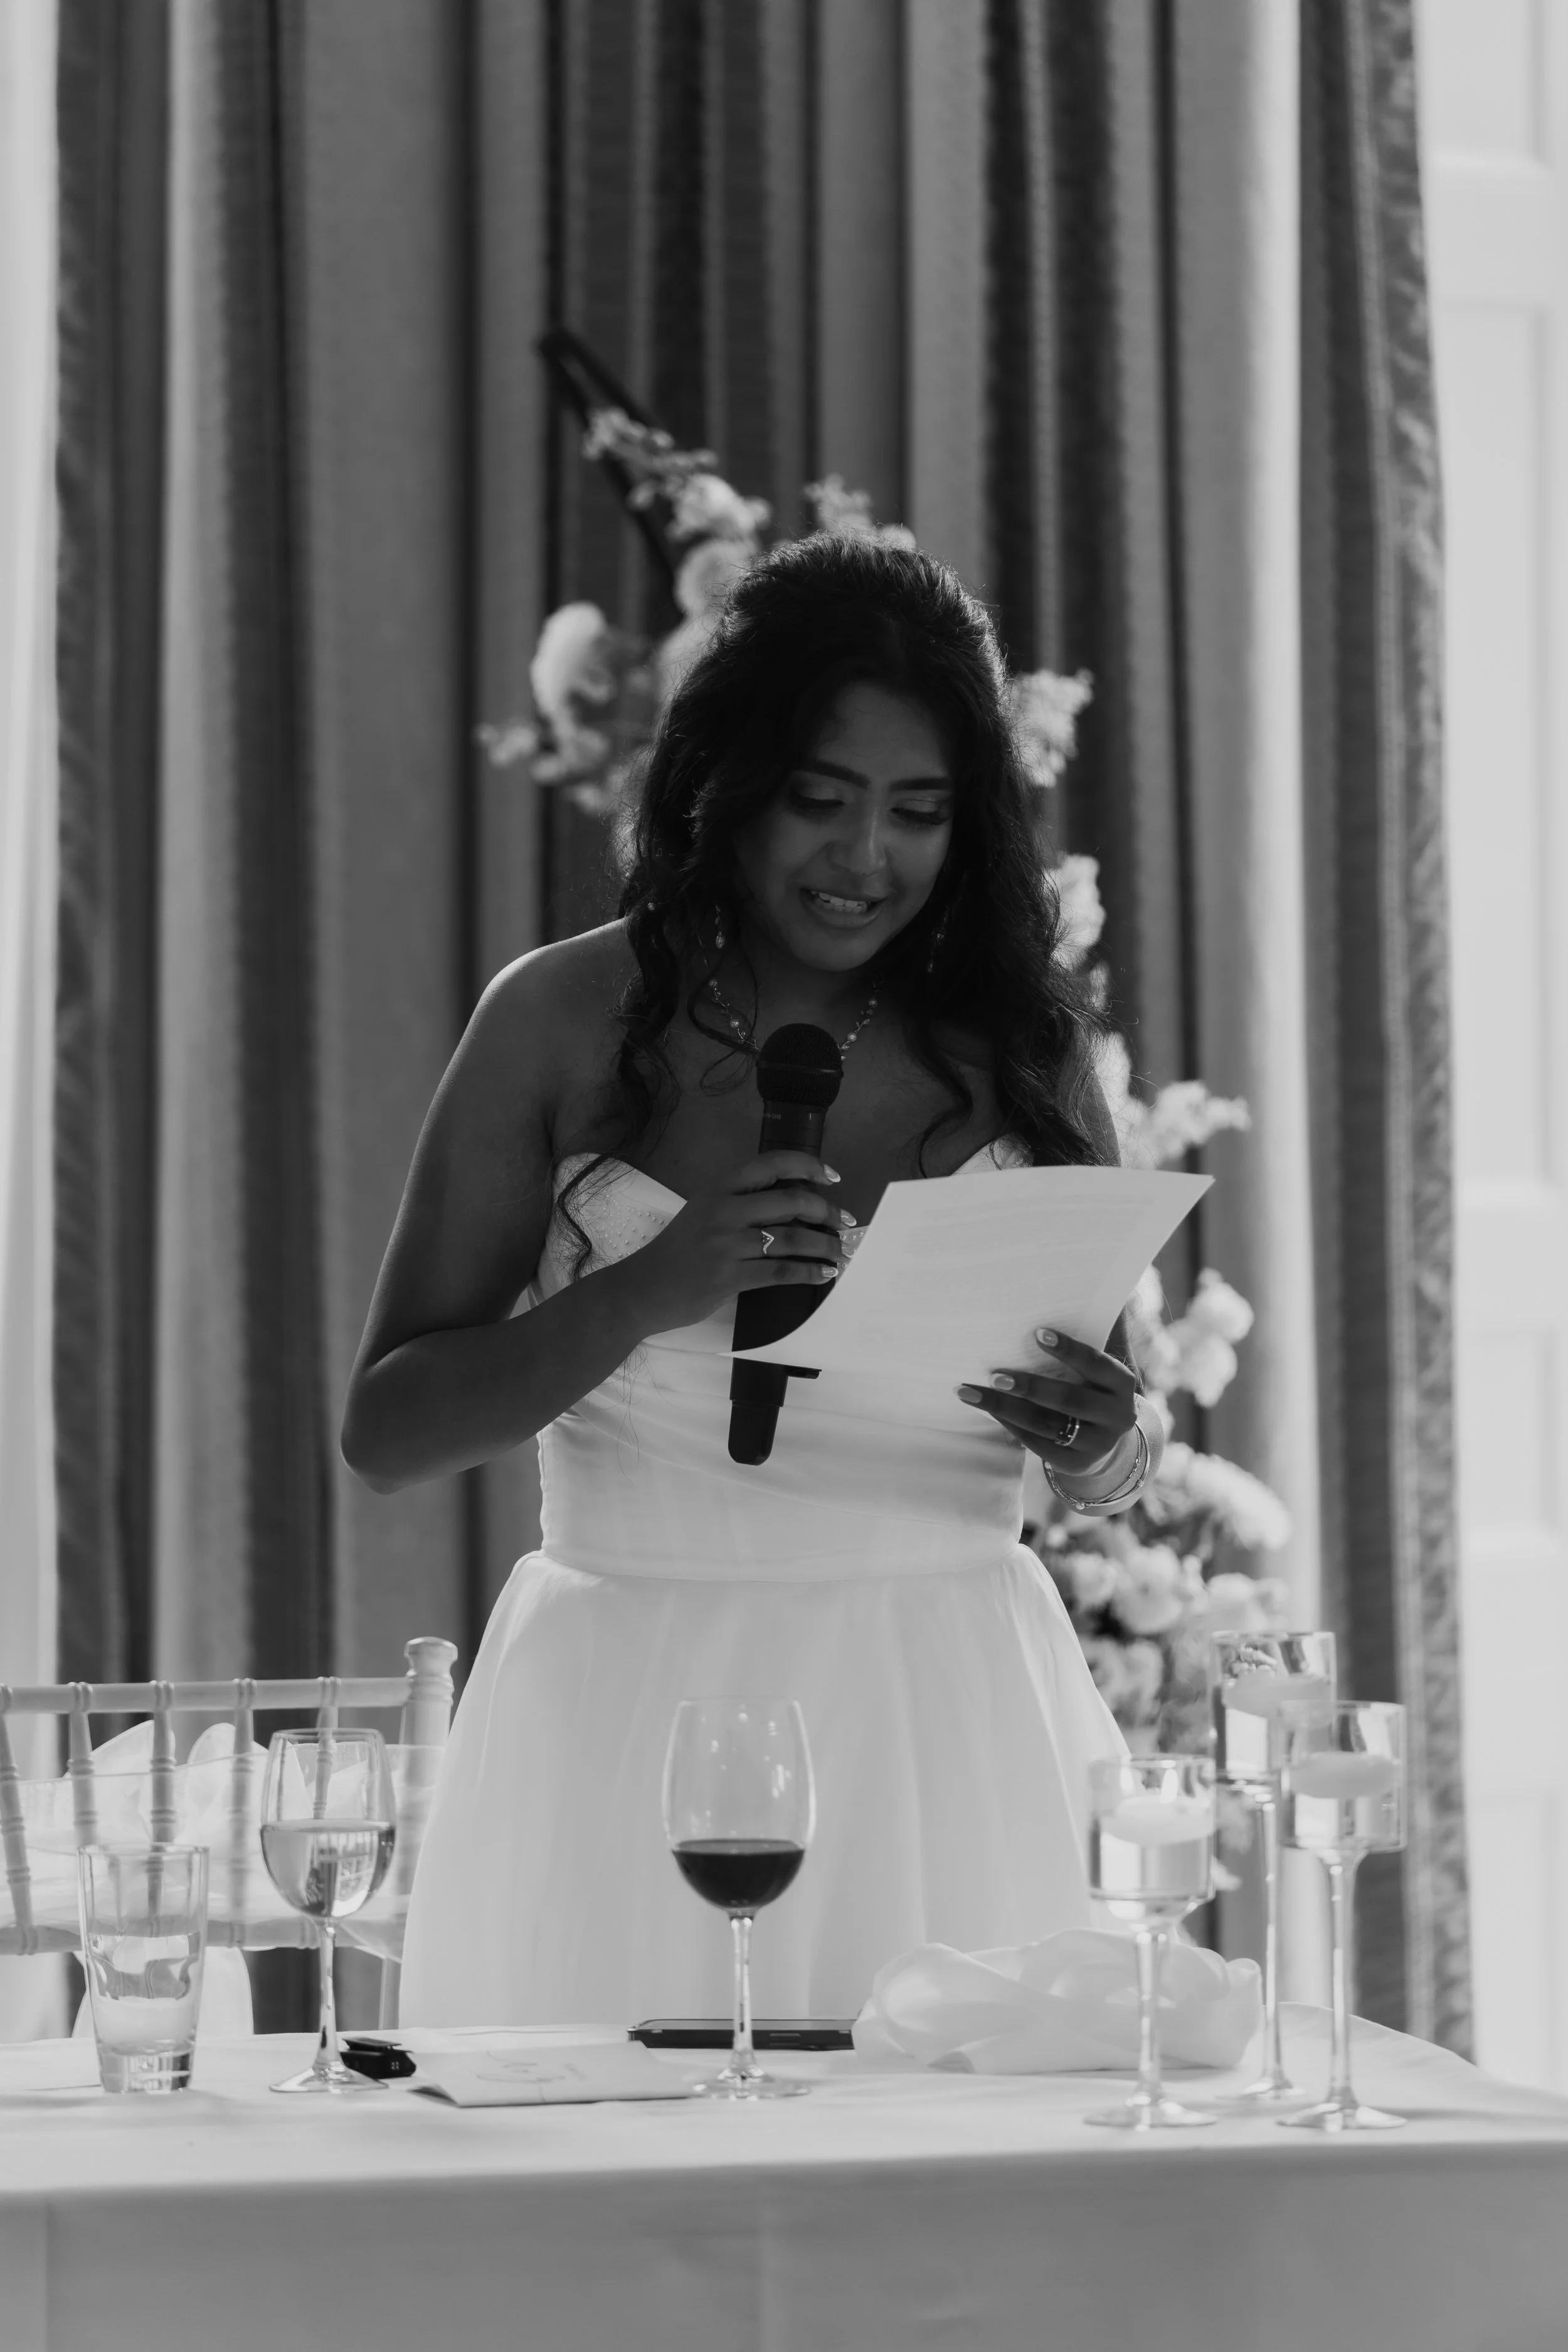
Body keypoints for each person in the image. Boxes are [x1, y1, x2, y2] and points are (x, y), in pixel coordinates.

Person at [343, 536, 1158, 2028]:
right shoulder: (559, 1022)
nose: (865, 861)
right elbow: (389, 1431)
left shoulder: (1020, 1046)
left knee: (959, 2220)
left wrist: (1102, 1439)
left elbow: (1121, 1441)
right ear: (727, 783)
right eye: (821, 800)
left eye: (915, 814)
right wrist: (641, 1292)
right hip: (629, 1710)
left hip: (949, 1714)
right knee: (624, 2214)